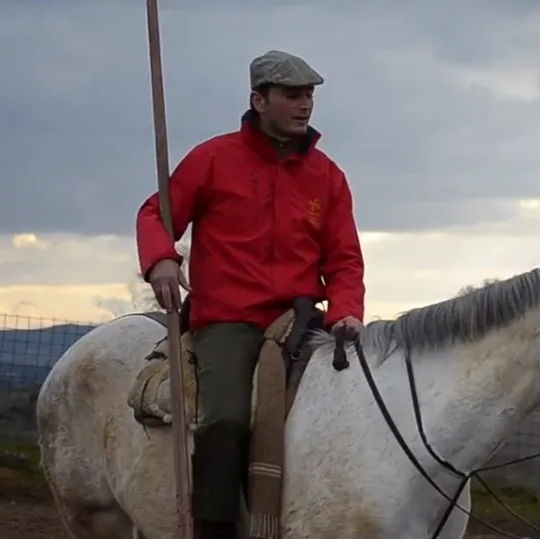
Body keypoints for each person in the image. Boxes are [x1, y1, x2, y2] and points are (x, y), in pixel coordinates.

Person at [134, 49, 366, 539]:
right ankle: (215, 530)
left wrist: (346, 312)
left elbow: (344, 259)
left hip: (302, 319)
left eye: (309, 95)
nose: (304, 104)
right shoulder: (213, 159)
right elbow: (157, 213)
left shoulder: (328, 176)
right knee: (226, 420)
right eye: (291, 95)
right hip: (229, 319)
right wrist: (160, 260)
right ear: (258, 100)